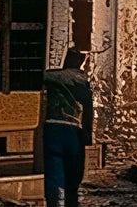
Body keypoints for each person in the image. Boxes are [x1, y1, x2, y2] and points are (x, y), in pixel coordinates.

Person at [39, 48, 93, 207]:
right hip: (73, 131)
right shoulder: (82, 81)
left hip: (52, 128)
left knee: (54, 175)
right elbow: (88, 111)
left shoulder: (50, 77)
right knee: (73, 177)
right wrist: (87, 137)